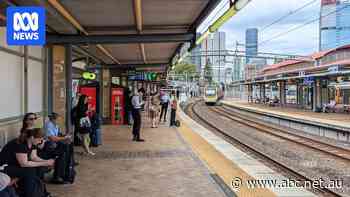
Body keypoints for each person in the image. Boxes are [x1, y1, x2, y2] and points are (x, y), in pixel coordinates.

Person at [0, 128, 54, 197]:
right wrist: (44, 163)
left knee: (38, 168)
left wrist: (47, 161)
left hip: (15, 165)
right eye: (39, 139)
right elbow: (24, 163)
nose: (40, 142)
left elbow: (33, 157)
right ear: (32, 137)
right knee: (29, 170)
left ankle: (40, 192)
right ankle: (31, 194)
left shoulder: (32, 143)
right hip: (4, 167)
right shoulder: (20, 144)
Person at [43, 112, 74, 184]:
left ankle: (68, 167)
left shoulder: (55, 125)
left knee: (69, 144)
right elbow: (52, 138)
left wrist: (66, 136)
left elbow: (58, 134)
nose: (59, 121)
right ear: (53, 119)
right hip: (49, 145)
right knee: (63, 152)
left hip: (55, 143)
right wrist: (64, 138)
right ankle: (58, 176)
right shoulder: (48, 125)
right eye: (58, 119)